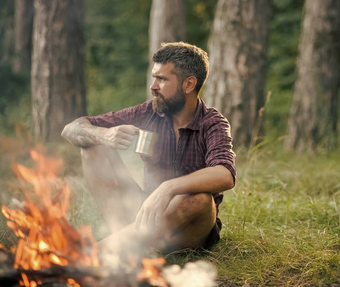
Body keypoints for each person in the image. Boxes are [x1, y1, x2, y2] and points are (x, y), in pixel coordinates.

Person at [61, 42, 236, 254]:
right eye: (154, 77)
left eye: (161, 79)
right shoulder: (149, 111)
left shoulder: (212, 123)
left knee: (199, 198)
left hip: (189, 231)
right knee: (93, 147)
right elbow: (71, 128)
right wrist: (103, 135)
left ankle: (99, 253)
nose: (153, 86)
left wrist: (169, 187)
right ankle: (124, 238)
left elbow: (225, 174)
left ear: (189, 84)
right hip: (145, 215)